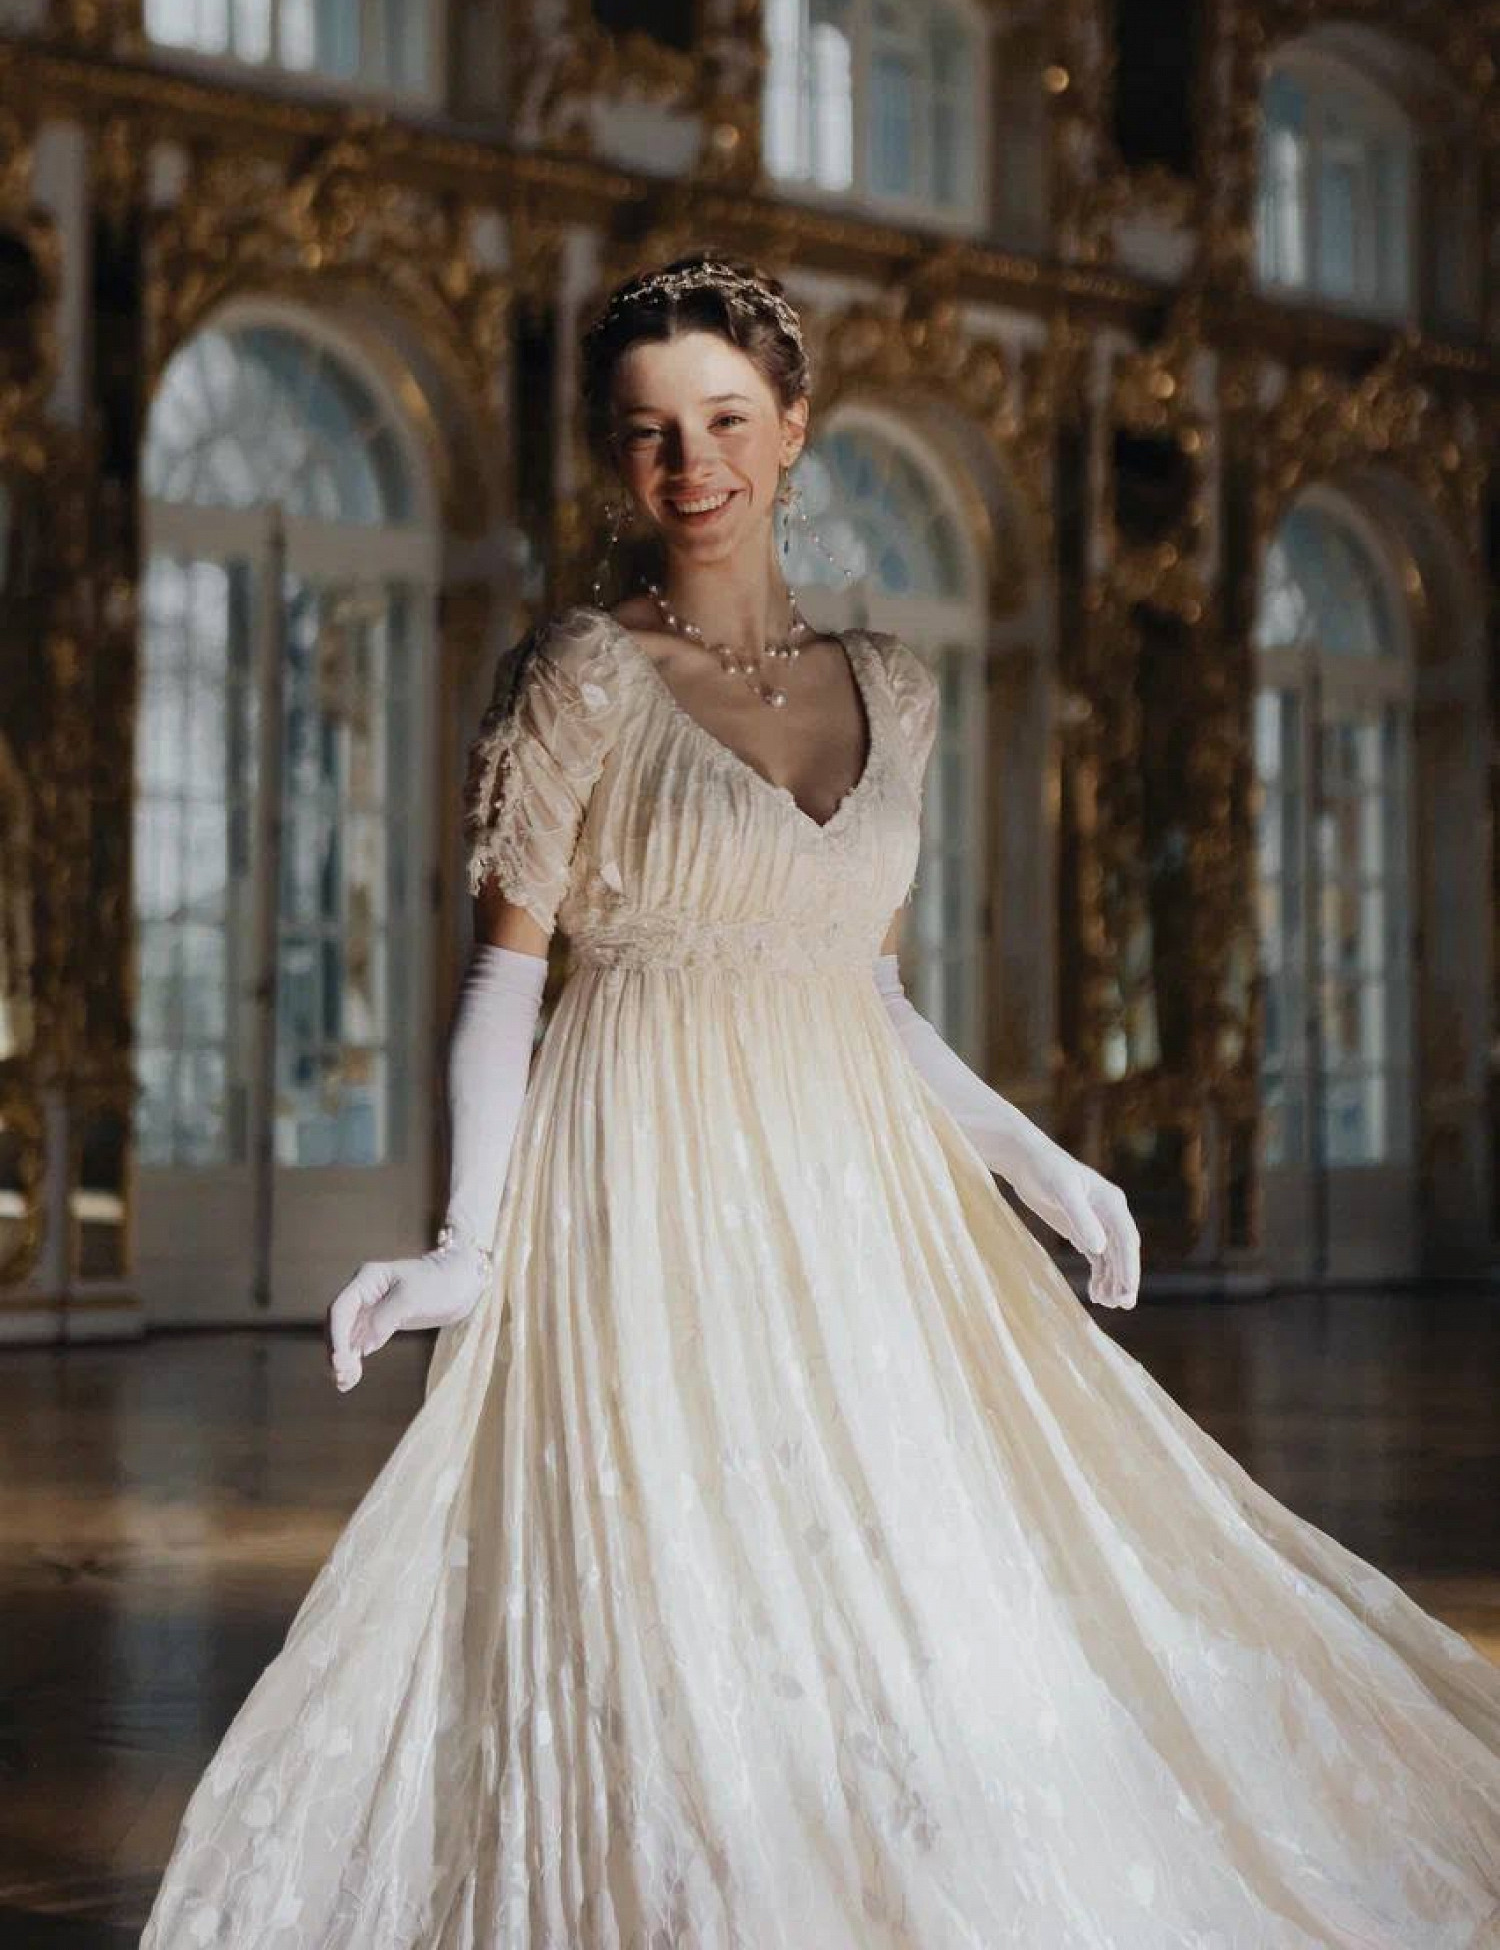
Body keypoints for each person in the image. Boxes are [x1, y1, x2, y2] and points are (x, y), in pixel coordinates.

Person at [141, 252, 1500, 1949]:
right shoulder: (579, 673)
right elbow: (502, 978)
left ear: (793, 426)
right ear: (615, 454)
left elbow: (870, 990)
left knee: (892, 1575)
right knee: (686, 1590)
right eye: (649, 430)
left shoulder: (894, 689)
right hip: (638, 1182)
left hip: (854, 1199)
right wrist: (466, 1248)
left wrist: (1040, 1162)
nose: (689, 463)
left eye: (724, 419)